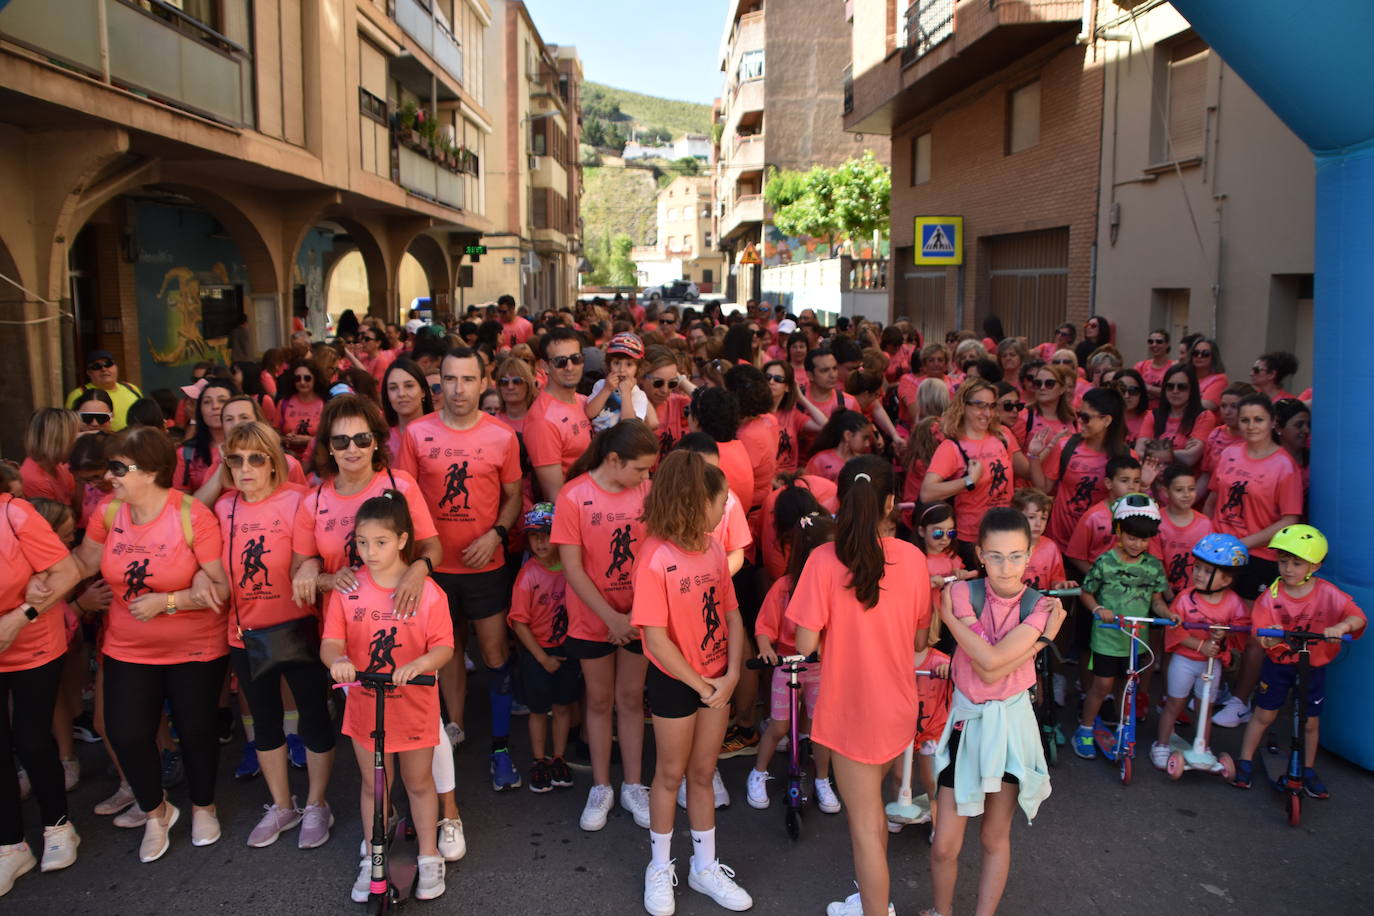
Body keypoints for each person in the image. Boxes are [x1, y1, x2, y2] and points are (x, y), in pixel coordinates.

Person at [68, 426, 230, 862]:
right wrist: (40, 593)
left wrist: (168, 602)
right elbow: (83, 561)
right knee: (126, 732)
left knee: (196, 731)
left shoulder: (192, 515)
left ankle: (203, 807)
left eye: (119, 467)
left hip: (195, 646)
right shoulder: (108, 511)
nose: (109, 476)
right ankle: (156, 812)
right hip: (127, 645)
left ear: (152, 472)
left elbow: (220, 588)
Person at [788, 456, 932, 916]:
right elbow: (920, 641)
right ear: (890, 502)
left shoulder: (822, 559)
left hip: (849, 712)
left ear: (841, 499)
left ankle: (874, 908)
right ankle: (873, 901)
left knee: (866, 828)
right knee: (876, 817)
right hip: (899, 707)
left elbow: (804, 643)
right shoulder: (913, 558)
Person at [395, 348, 523, 792]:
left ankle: (501, 747)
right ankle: (455, 727)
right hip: (432, 567)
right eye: (449, 379)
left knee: (494, 653)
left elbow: (513, 496)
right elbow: (404, 500)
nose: (458, 389)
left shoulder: (502, 436)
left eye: (468, 379)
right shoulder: (417, 433)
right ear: (439, 384)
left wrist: (496, 535)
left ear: (483, 382)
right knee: (445, 651)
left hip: (486, 564)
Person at [927, 508, 1066, 916]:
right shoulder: (962, 593)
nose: (1007, 567)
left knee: (993, 836)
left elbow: (988, 665)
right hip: (967, 723)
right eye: (997, 556)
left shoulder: (1040, 605)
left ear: (1030, 555)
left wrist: (954, 625)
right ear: (981, 555)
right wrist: (1042, 642)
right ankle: (941, 912)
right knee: (944, 844)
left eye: (1017, 556)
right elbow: (990, 664)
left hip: (1010, 727)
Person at [634, 450, 753, 916]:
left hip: (717, 680)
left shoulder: (713, 549)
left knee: (703, 774)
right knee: (669, 775)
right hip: (678, 682)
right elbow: (655, 639)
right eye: (720, 503)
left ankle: (705, 868)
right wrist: (703, 685)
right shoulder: (654, 556)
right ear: (693, 500)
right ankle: (659, 866)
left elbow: (732, 614)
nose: (724, 512)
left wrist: (733, 674)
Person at [321, 492, 454, 903]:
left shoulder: (428, 592)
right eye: (362, 542)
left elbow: (444, 646)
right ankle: (373, 856)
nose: (370, 552)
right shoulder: (348, 589)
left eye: (380, 542)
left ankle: (429, 855)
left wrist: (420, 664)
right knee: (374, 784)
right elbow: (330, 642)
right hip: (366, 703)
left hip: (413, 705)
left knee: (419, 782)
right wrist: (339, 660)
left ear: (402, 540)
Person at [212, 422, 336, 849]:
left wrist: (311, 567)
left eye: (256, 458)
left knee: (313, 717)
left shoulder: (299, 499)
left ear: (273, 462)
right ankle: (282, 805)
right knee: (264, 723)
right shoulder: (223, 507)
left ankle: (317, 804)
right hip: (244, 632)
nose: (245, 468)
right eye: (236, 459)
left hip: (297, 626)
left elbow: (318, 553)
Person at [551, 421, 658, 833]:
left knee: (630, 699)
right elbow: (572, 567)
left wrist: (635, 614)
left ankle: (633, 785)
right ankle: (600, 786)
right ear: (614, 460)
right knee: (597, 701)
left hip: (638, 616)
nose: (646, 476)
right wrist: (610, 617)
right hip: (591, 617)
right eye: (640, 468)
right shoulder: (573, 495)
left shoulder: (647, 492)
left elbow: (655, 554)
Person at [1232, 525, 1366, 794]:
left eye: (1296, 563)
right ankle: (1244, 760)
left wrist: (1341, 627)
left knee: (1310, 721)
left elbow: (1358, 617)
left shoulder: (1327, 592)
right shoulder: (1271, 596)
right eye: (1283, 562)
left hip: (1312, 667)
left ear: (1314, 566)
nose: (1288, 569)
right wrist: (1269, 638)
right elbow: (1260, 632)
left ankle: (1308, 768)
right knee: (1264, 713)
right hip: (1279, 664)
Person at [0, 489, 83, 893]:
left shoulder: (14, 513)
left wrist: (20, 616)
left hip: (31, 642)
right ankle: (10, 845)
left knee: (31, 740)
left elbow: (68, 572)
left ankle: (58, 826)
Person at [747, 509, 838, 812]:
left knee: (819, 728)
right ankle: (758, 772)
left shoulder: (835, 587)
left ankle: (822, 779)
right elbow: (764, 627)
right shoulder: (784, 587)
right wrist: (766, 649)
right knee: (779, 726)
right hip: (788, 665)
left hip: (820, 668)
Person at [1072, 495, 1169, 759]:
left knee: (1127, 688)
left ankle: (1122, 729)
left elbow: (1157, 600)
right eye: (1132, 537)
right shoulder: (1105, 562)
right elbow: (1086, 592)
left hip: (1137, 640)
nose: (1137, 544)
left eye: (1144, 539)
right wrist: (1098, 609)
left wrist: (1168, 614)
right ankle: (1085, 729)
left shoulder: (1153, 566)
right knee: (1102, 685)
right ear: (1118, 531)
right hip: (1107, 638)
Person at [1151, 534, 1250, 771]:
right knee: (1174, 703)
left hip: (1212, 664)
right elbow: (1174, 630)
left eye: (1207, 571)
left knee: (1204, 706)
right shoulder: (1185, 599)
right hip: (1185, 661)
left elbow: (1242, 628)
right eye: (1197, 568)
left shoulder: (1233, 602)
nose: (1198, 574)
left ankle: (1202, 746)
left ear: (1226, 579)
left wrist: (1225, 634)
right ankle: (1162, 744)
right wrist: (1200, 645)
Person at [507, 503, 578, 794]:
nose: (541, 542)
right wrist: (542, 657)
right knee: (538, 710)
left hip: (567, 650)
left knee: (562, 707)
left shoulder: (574, 569)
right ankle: (539, 760)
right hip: (537, 654)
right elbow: (518, 622)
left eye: (547, 535)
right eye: (534, 536)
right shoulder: (528, 575)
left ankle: (558, 757)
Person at [921, 379, 1022, 568]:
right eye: (980, 406)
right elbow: (927, 492)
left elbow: (1024, 473)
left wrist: (1038, 453)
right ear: (963, 406)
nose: (987, 413)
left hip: (1004, 531)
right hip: (972, 539)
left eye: (991, 406)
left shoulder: (1002, 436)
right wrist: (968, 480)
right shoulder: (952, 447)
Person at [1031, 386, 1130, 548]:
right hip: (1059, 541)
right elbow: (1044, 488)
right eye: (1078, 415)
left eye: (1085, 417)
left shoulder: (1125, 456)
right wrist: (1034, 456)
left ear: (1106, 420)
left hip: (1099, 547)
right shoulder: (1065, 446)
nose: (1079, 421)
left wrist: (1144, 484)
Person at [526, 328, 592, 500]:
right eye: (560, 361)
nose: (569, 367)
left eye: (576, 359)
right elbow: (555, 496)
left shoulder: (585, 401)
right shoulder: (542, 420)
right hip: (576, 508)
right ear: (545, 366)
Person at [1063, 456, 1146, 576]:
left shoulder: (1143, 514)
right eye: (1124, 480)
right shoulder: (1093, 517)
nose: (1131, 486)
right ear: (1108, 483)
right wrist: (1098, 577)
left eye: (1137, 481)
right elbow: (1075, 555)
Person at [916, 502, 978, 655]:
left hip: (950, 615)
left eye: (950, 533)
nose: (944, 538)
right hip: (927, 618)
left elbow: (960, 575)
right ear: (922, 531)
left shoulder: (951, 556)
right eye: (938, 533)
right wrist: (928, 581)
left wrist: (960, 574)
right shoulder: (917, 558)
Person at [1150, 465, 1214, 600]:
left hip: (1195, 594)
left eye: (1191, 489)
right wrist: (1169, 597)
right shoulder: (1156, 521)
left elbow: (1209, 563)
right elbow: (1156, 563)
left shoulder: (1205, 524)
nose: (1187, 495)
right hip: (1165, 594)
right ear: (1165, 492)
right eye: (1179, 490)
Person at [1196, 382, 1257, 500]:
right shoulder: (1215, 434)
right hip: (1214, 500)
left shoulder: (1256, 439)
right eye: (1223, 406)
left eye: (1234, 406)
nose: (1227, 412)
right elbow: (1206, 476)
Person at [1148, 365, 1215, 466]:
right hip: (1153, 474)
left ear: (1192, 389)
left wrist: (1154, 453)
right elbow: (1140, 451)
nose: (1175, 391)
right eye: (1170, 386)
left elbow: (1190, 458)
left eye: (1182, 387)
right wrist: (1180, 452)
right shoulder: (1152, 415)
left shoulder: (1204, 416)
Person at [587, 333, 654, 432]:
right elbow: (590, 413)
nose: (622, 370)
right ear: (609, 364)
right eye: (616, 363)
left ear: (638, 368)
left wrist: (626, 393)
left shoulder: (638, 395)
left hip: (622, 440)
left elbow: (629, 425)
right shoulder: (601, 384)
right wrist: (606, 389)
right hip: (598, 438)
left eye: (629, 364)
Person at [19, 409, 79, 513]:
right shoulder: (35, 480)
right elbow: (58, 519)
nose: (79, 441)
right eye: (75, 436)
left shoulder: (59, 466)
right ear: (59, 440)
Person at [65, 350, 142, 431]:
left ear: (116, 367)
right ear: (89, 372)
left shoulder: (132, 388)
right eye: (96, 366)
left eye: (108, 364)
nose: (104, 369)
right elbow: (69, 427)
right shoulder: (79, 394)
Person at [643, 348, 695, 458]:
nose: (665, 390)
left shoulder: (677, 402)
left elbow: (709, 402)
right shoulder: (629, 405)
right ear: (641, 377)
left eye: (672, 383)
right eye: (658, 383)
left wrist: (682, 380)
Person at [382, 359, 434, 460]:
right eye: (393, 388)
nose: (401, 394)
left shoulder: (442, 433)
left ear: (423, 391)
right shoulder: (382, 440)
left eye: (409, 386)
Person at [1017, 362, 1076, 451]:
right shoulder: (1024, 417)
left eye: (1049, 383)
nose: (1042, 387)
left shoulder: (1073, 417)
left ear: (1062, 389)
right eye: (1038, 383)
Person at [276, 359, 328, 460]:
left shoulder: (325, 404)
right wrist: (285, 439)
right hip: (288, 460)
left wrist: (309, 440)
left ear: (315, 379)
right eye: (297, 378)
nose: (302, 382)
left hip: (316, 460)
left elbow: (330, 437)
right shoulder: (283, 403)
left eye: (307, 378)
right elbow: (274, 434)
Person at [805, 410, 875, 483]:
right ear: (848, 435)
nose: (868, 444)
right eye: (865, 438)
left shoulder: (863, 463)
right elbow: (808, 485)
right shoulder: (820, 460)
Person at [1135, 329, 1173, 407]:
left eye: (1159, 342)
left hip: (1165, 411)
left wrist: (1146, 387)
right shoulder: (1140, 366)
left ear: (1167, 344)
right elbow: (1133, 390)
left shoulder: (1173, 367)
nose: (1154, 344)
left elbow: (1172, 393)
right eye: (1150, 341)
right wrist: (1158, 392)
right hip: (1143, 411)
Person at [1187, 338, 1228, 409]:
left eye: (1205, 354)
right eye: (1196, 353)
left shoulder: (1220, 379)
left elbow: (1205, 406)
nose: (1199, 356)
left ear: (1214, 357)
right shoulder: (1185, 376)